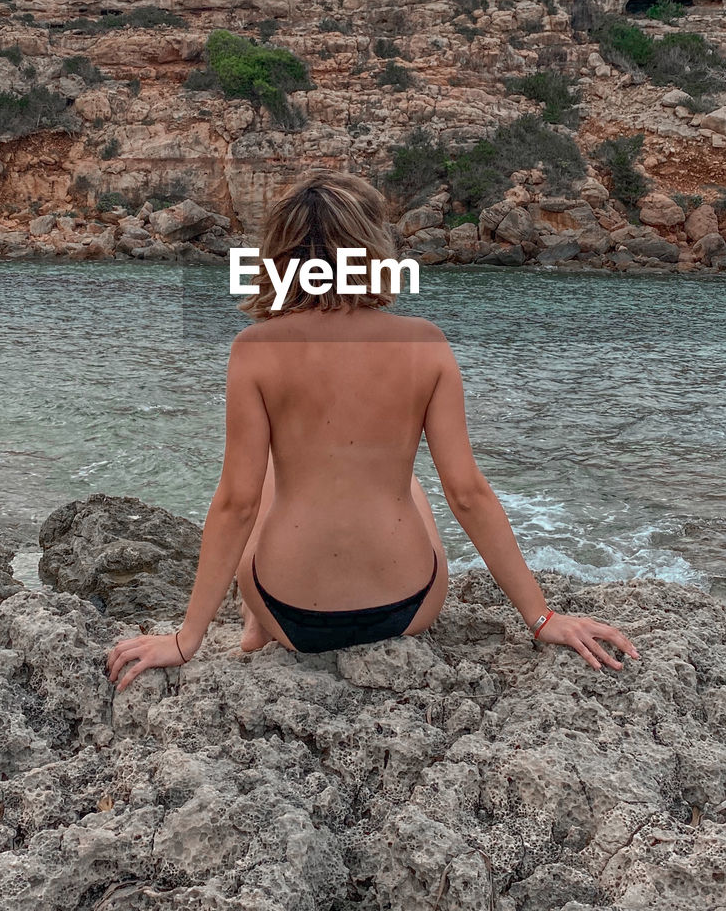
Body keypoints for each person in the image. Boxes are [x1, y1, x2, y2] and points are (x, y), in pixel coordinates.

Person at [107, 170, 639, 691]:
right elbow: (468, 494)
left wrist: (186, 638)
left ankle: (254, 626)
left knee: (272, 471)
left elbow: (236, 505)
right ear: (373, 250)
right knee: (405, 481)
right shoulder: (425, 343)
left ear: (278, 257)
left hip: (291, 617)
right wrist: (542, 618)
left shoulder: (255, 350)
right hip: (406, 609)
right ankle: (272, 614)